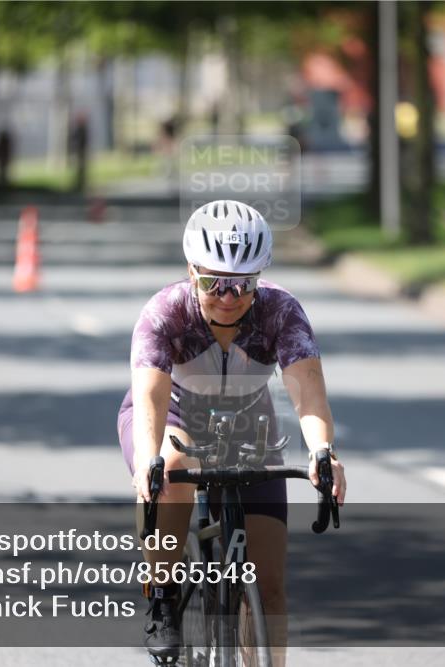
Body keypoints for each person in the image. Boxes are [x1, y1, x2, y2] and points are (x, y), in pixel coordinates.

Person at [118, 200, 347, 665]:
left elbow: (307, 387)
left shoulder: (280, 312)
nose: (228, 295)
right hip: (172, 415)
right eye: (213, 281)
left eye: (242, 283)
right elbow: (150, 397)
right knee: (172, 465)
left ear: (260, 277)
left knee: (270, 588)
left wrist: (323, 451)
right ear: (191, 271)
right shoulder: (165, 312)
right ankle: (163, 598)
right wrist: (149, 458)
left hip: (247, 422)